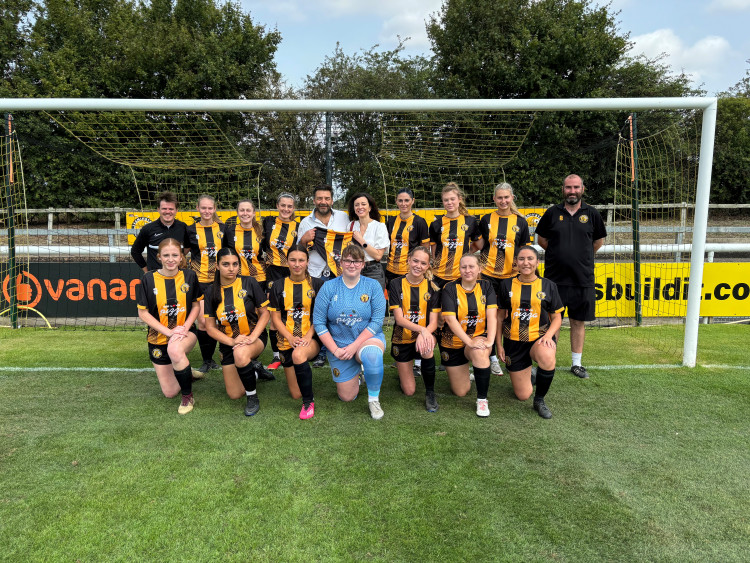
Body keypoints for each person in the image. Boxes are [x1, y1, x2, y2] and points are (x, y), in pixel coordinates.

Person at [535, 174, 606, 379]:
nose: (572, 191)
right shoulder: (551, 213)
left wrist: (580, 257)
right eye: (568, 187)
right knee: (552, 320)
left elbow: (597, 242)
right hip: (554, 280)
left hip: (582, 279)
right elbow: (542, 240)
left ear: (582, 188)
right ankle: (550, 360)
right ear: (563, 189)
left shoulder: (592, 214)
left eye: (576, 187)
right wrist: (560, 254)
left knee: (578, 321)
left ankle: (577, 363)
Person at [312, 245, 388, 420]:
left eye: (356, 261)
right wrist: (335, 350)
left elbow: (377, 321)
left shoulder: (373, 286)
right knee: (347, 397)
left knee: (371, 356)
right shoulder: (328, 287)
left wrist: (355, 347)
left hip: (366, 340)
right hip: (339, 345)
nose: (352, 264)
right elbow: (319, 322)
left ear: (363, 264)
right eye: (347, 260)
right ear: (341, 263)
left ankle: (373, 400)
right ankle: (359, 376)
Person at [136, 238, 202, 414]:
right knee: (170, 392)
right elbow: (143, 313)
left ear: (181, 257)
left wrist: (185, 328)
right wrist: (168, 332)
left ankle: (188, 397)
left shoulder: (189, 276)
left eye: (175, 255)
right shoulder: (148, 279)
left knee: (174, 349)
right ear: (159, 257)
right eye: (166, 255)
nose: (171, 259)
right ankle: (186, 372)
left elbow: (196, 306)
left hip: (185, 333)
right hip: (158, 338)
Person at [497, 246, 564, 419]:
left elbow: (557, 318)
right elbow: (499, 317)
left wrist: (548, 336)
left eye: (530, 259)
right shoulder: (506, 285)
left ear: (537, 262)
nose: (526, 263)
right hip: (513, 342)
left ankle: (540, 400)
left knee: (547, 356)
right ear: (516, 263)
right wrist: (499, 345)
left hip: (538, 338)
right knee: (522, 395)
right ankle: (532, 374)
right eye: (521, 259)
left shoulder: (548, 286)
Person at [204, 247, 270, 416]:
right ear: (217, 266)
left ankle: (252, 397)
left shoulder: (249, 282)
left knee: (241, 354)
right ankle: (254, 370)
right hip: (228, 343)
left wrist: (252, 337)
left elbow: (265, 314)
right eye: (226, 264)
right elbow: (210, 328)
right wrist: (232, 342)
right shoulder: (211, 291)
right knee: (234, 394)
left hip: (254, 338)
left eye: (235, 264)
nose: (231, 268)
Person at [475, 182, 531, 377]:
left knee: (507, 317)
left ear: (512, 198)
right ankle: (489, 358)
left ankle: (509, 355)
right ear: (494, 199)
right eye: (500, 197)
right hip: (488, 275)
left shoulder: (521, 222)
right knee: (487, 316)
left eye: (506, 197)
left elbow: (524, 251)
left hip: (511, 277)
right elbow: (480, 244)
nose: (503, 201)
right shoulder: (486, 219)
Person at [298, 184, 351, 367]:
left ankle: (340, 348)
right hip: (316, 275)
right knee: (319, 314)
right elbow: (300, 251)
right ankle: (321, 352)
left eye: (326, 198)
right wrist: (304, 240)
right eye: (319, 198)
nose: (323, 202)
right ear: (314, 201)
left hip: (339, 274)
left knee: (339, 313)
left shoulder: (344, 218)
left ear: (332, 200)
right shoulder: (306, 222)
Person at [268, 244, 324, 420]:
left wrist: (308, 336)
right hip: (287, 339)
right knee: (295, 393)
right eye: (293, 260)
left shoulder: (317, 284)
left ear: (307, 262)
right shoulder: (277, 286)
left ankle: (309, 403)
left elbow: (320, 316)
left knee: (299, 354)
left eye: (301, 260)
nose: (297, 264)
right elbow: (275, 318)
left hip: (310, 339)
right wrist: (290, 337)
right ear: (287, 261)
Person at [439, 254, 497, 417]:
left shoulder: (487, 286)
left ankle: (482, 400)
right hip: (453, 342)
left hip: (477, 336)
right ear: (459, 269)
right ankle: (471, 372)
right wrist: (468, 342)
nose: (467, 270)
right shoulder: (450, 288)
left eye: (471, 266)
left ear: (480, 269)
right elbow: (450, 319)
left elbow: (492, 316)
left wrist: (490, 340)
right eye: (463, 267)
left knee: (480, 352)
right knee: (461, 391)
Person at [388, 246, 440, 412]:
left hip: (423, 335)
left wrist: (424, 333)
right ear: (408, 260)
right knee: (409, 391)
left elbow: (433, 322)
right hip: (401, 338)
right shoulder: (396, 284)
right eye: (415, 261)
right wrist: (422, 330)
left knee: (427, 345)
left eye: (423, 263)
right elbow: (399, 319)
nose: (418, 265)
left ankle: (430, 393)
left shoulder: (433, 287)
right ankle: (405, 369)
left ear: (428, 267)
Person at [385, 187, 430, 377]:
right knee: (400, 314)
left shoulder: (420, 222)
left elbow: (425, 249)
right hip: (392, 273)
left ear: (413, 201)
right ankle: (402, 355)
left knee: (419, 311)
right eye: (400, 200)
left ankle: (419, 359)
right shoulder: (390, 221)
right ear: (396, 202)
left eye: (406, 200)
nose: (403, 203)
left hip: (413, 274)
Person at [185, 194, 224, 378]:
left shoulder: (223, 229)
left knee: (220, 319)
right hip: (199, 281)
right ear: (198, 208)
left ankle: (224, 354)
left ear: (215, 209)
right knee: (202, 322)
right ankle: (207, 360)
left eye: (210, 208)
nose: (207, 211)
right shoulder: (190, 230)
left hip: (219, 281)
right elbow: (182, 252)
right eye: (203, 208)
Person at [262, 192, 299, 370]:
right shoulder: (267, 223)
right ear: (277, 206)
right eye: (283, 205)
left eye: (289, 206)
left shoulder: (297, 226)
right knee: (273, 316)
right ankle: (276, 355)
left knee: (291, 312)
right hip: (272, 273)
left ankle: (294, 346)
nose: (286, 209)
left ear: (293, 208)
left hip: (292, 273)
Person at [429, 182, 481, 289]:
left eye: (452, 199)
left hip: (461, 275)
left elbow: (479, 244)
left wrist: (467, 252)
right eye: (446, 200)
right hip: (439, 275)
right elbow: (434, 252)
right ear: (442, 202)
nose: (449, 202)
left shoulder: (470, 221)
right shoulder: (436, 224)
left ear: (459, 199)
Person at [130, 191, 189, 273]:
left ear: (176, 210)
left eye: (171, 209)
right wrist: (147, 272)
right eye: (164, 209)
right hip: (155, 278)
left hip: (178, 277)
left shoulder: (183, 227)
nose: (167, 211)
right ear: (158, 209)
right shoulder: (148, 229)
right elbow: (135, 251)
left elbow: (187, 247)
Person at [348, 192, 389, 290]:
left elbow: (378, 256)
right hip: (354, 269)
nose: (360, 207)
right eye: (356, 205)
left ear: (370, 208)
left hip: (373, 271)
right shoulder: (350, 225)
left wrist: (362, 241)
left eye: (363, 204)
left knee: (374, 303)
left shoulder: (379, 227)